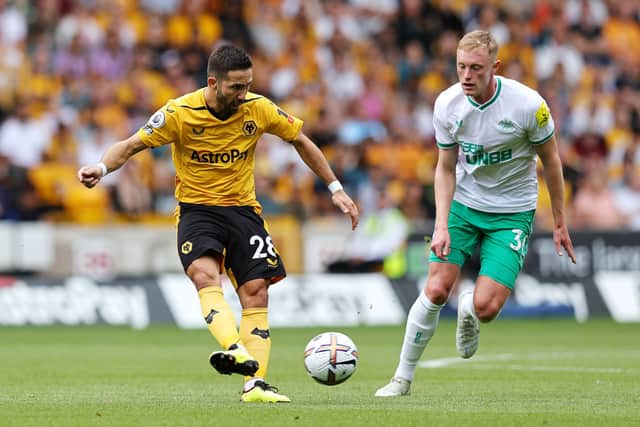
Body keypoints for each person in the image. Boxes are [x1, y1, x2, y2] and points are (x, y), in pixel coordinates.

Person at [78, 44, 360, 403]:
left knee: (256, 292)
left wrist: (335, 188)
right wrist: (101, 169)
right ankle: (235, 349)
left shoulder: (259, 109)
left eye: (248, 85)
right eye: (236, 87)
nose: (243, 95)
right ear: (213, 82)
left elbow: (300, 141)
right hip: (197, 210)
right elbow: (131, 145)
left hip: (243, 210)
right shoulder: (180, 113)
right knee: (204, 275)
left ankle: (255, 386)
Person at [375, 30, 576, 397]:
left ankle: (468, 303)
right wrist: (440, 225)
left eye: (476, 68)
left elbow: (551, 160)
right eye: (461, 67)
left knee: (485, 309)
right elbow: (444, 167)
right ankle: (401, 379)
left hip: (512, 212)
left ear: (494, 67)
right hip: (464, 206)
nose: (466, 76)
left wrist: (560, 220)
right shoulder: (447, 105)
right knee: (435, 288)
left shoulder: (529, 105)